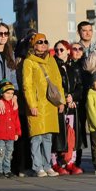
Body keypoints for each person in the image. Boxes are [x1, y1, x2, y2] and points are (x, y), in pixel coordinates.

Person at [22, 33, 65, 177]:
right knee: (36, 137)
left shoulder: (51, 60)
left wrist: (61, 101)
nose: (43, 44)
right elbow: (26, 85)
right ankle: (37, 166)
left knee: (47, 137)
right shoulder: (29, 62)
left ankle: (47, 166)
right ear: (33, 45)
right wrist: (31, 104)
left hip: (50, 104)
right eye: (39, 42)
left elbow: (58, 81)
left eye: (45, 41)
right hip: (37, 104)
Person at [51, 40, 84, 175]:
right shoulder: (53, 66)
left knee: (72, 134)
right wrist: (65, 97)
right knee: (57, 135)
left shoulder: (73, 67)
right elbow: (53, 86)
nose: (59, 52)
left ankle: (70, 162)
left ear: (68, 51)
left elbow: (80, 86)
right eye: (57, 50)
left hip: (71, 106)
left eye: (62, 50)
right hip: (58, 105)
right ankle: (55, 163)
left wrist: (73, 97)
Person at [0, 79, 21, 178]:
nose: (10, 95)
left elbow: (16, 120)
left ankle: (7, 170)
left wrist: (17, 132)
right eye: (7, 93)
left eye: (12, 93)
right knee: (0, 152)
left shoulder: (13, 105)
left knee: (9, 153)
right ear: (2, 93)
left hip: (10, 135)